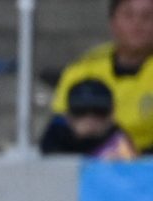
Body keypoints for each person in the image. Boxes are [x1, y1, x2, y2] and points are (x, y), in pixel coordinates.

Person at [51, 0, 153, 155]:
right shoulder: (84, 68)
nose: (137, 24)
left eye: (148, 16)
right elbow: (59, 126)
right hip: (90, 162)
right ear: (112, 22)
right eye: (128, 15)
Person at [40, 78, 138, 160]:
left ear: (112, 114)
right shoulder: (55, 136)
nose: (90, 118)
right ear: (68, 115)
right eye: (80, 111)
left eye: (99, 111)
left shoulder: (121, 143)